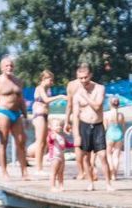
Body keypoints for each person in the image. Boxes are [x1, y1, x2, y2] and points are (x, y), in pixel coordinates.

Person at [70, 64, 114, 192]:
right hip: (84, 126)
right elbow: (75, 116)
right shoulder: (76, 95)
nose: (83, 80)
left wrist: (85, 96)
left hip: (98, 125)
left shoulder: (99, 89)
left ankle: (108, 183)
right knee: (86, 157)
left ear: (90, 75)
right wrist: (76, 135)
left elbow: (97, 106)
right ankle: (90, 183)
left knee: (103, 155)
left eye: (85, 77)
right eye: (80, 78)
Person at [0, 56, 30, 180]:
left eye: (11, 65)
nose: (9, 67)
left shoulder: (18, 81)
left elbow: (21, 100)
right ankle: (4, 172)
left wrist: (25, 116)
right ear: (1, 68)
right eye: (6, 65)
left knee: (21, 142)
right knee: (4, 142)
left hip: (16, 113)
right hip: (3, 112)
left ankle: (24, 172)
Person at [30, 69, 54, 174]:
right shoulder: (40, 88)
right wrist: (61, 96)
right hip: (39, 116)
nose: (52, 82)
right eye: (50, 80)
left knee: (44, 142)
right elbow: (46, 100)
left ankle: (40, 166)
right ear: (44, 79)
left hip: (44, 115)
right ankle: (38, 169)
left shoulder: (47, 89)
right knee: (40, 142)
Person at [105, 96, 125, 179]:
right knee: (116, 156)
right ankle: (114, 175)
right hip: (119, 135)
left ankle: (111, 170)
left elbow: (105, 127)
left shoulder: (106, 114)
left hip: (110, 135)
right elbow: (123, 128)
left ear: (110, 104)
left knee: (108, 155)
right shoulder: (121, 115)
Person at [47, 117, 68, 192]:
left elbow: (67, 144)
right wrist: (52, 137)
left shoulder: (61, 136)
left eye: (60, 125)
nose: (59, 127)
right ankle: (52, 186)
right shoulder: (51, 135)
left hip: (62, 157)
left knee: (61, 172)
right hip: (55, 157)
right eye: (56, 125)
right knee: (54, 172)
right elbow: (50, 140)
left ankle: (61, 185)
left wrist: (75, 145)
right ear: (50, 127)